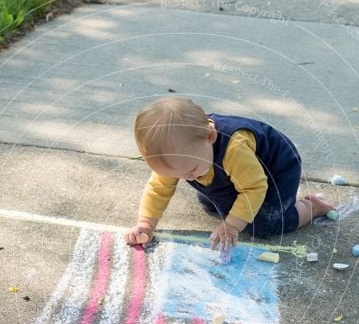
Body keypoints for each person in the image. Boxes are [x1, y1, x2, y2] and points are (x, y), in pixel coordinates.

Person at [124, 96, 334, 252]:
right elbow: (159, 188)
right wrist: (146, 224)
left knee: (264, 224)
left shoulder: (234, 149)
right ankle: (229, 193)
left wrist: (232, 225)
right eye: (178, 175)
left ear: (210, 136)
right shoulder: (182, 155)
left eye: (192, 170)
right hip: (240, 172)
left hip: (276, 168)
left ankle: (311, 207)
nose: (188, 178)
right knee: (211, 204)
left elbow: (254, 187)